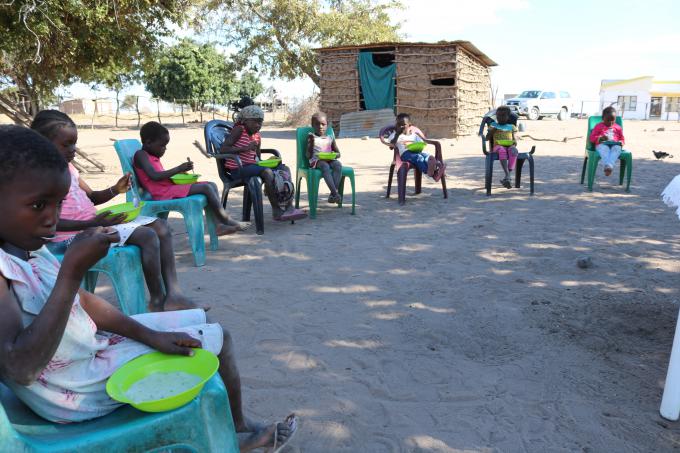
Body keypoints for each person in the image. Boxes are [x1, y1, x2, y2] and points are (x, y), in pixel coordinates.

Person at [0, 125, 297, 452]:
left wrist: (149, 335)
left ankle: (235, 426)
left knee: (216, 334)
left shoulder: (28, 246)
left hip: (87, 352)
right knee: (207, 346)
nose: (52, 219)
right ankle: (234, 435)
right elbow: (20, 367)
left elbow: (81, 303)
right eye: (39, 205)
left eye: (57, 204)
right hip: (74, 390)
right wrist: (72, 271)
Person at [31, 110, 197, 313]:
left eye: (74, 143)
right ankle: (157, 300)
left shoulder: (70, 169)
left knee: (161, 226)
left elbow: (91, 196)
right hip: (68, 239)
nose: (73, 150)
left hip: (92, 225)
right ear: (42, 143)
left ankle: (174, 294)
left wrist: (115, 190)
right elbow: (46, 223)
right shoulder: (39, 177)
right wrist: (90, 224)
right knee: (147, 236)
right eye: (66, 145)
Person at [133, 121, 249, 235]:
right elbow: (154, 176)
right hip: (161, 193)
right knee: (206, 188)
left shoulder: (151, 155)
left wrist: (180, 173)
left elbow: (160, 175)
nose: (164, 149)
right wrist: (178, 169)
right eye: (162, 145)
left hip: (167, 188)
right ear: (148, 143)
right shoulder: (141, 155)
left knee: (211, 185)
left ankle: (218, 226)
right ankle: (226, 220)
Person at [220, 105, 307, 221]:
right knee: (267, 172)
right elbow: (223, 149)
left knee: (284, 170)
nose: (258, 125)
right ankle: (276, 210)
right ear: (245, 121)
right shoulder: (239, 129)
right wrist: (244, 148)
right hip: (238, 169)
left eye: (260, 122)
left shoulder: (257, 136)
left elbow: (257, 157)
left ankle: (288, 206)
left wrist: (269, 162)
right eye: (255, 122)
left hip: (252, 166)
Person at [380, 113, 446, 181]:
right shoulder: (394, 135)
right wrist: (397, 135)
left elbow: (421, 143)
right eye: (398, 124)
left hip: (416, 152)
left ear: (409, 125)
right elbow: (391, 147)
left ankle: (434, 171)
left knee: (428, 157)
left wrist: (420, 145)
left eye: (403, 124)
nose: (401, 126)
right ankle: (428, 174)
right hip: (404, 155)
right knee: (419, 157)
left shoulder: (414, 135)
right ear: (396, 125)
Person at [306, 111, 343, 203]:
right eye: (317, 124)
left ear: (327, 125)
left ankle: (332, 195)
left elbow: (338, 154)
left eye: (323, 124)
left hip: (330, 159)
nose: (320, 127)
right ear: (312, 125)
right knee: (324, 166)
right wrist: (310, 145)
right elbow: (308, 156)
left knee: (338, 165)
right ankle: (335, 193)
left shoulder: (330, 138)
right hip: (317, 161)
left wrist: (334, 155)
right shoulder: (311, 137)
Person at [486, 105, 519, 189]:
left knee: (514, 151)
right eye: (498, 116)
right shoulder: (493, 125)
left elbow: (515, 139)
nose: (500, 117)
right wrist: (492, 131)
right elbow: (487, 138)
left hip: (509, 145)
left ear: (508, 117)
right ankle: (507, 175)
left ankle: (508, 177)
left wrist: (514, 143)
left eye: (503, 115)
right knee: (502, 150)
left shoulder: (511, 127)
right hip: (497, 146)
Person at [589, 106, 625, 176]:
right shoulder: (598, 126)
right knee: (604, 149)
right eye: (608, 120)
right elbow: (592, 138)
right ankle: (608, 166)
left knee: (617, 148)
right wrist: (600, 138)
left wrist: (621, 142)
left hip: (615, 144)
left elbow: (622, 138)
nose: (611, 122)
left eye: (613, 120)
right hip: (602, 145)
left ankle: (608, 166)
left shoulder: (618, 127)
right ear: (603, 118)